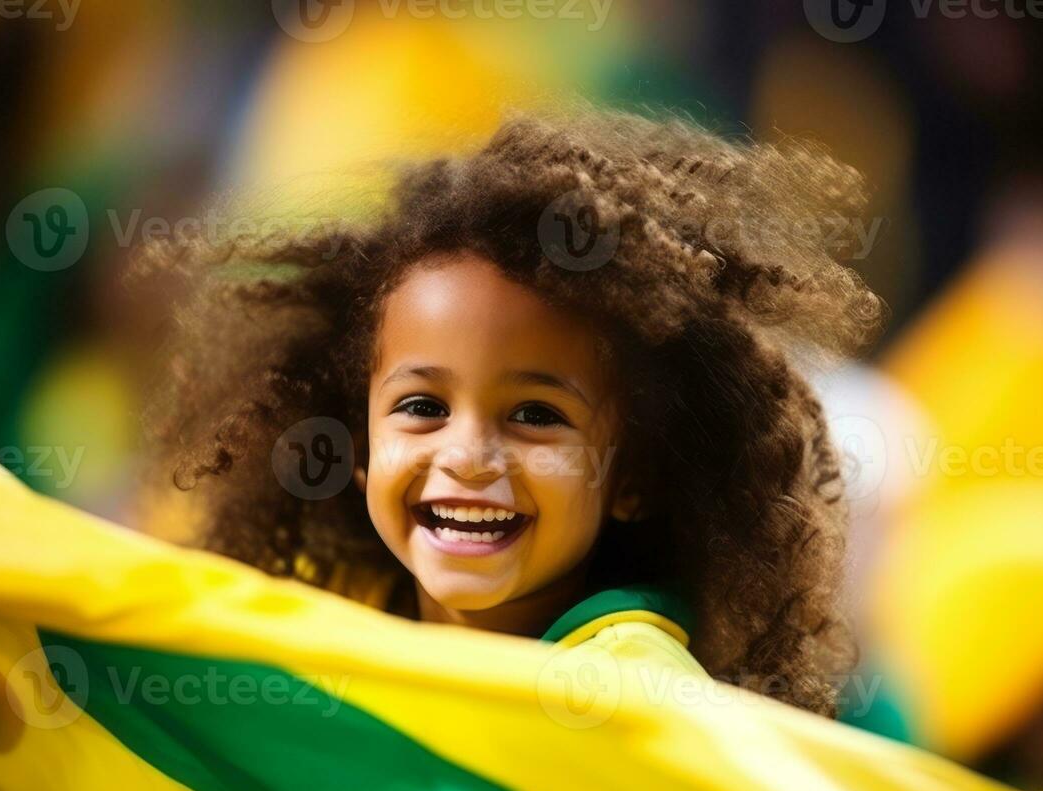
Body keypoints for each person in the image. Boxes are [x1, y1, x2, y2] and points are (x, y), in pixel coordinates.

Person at [141, 105, 881, 716]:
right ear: (359, 447)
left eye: (533, 416)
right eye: (423, 406)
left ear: (634, 476)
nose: (465, 455)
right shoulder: (310, 622)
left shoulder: (642, 699)